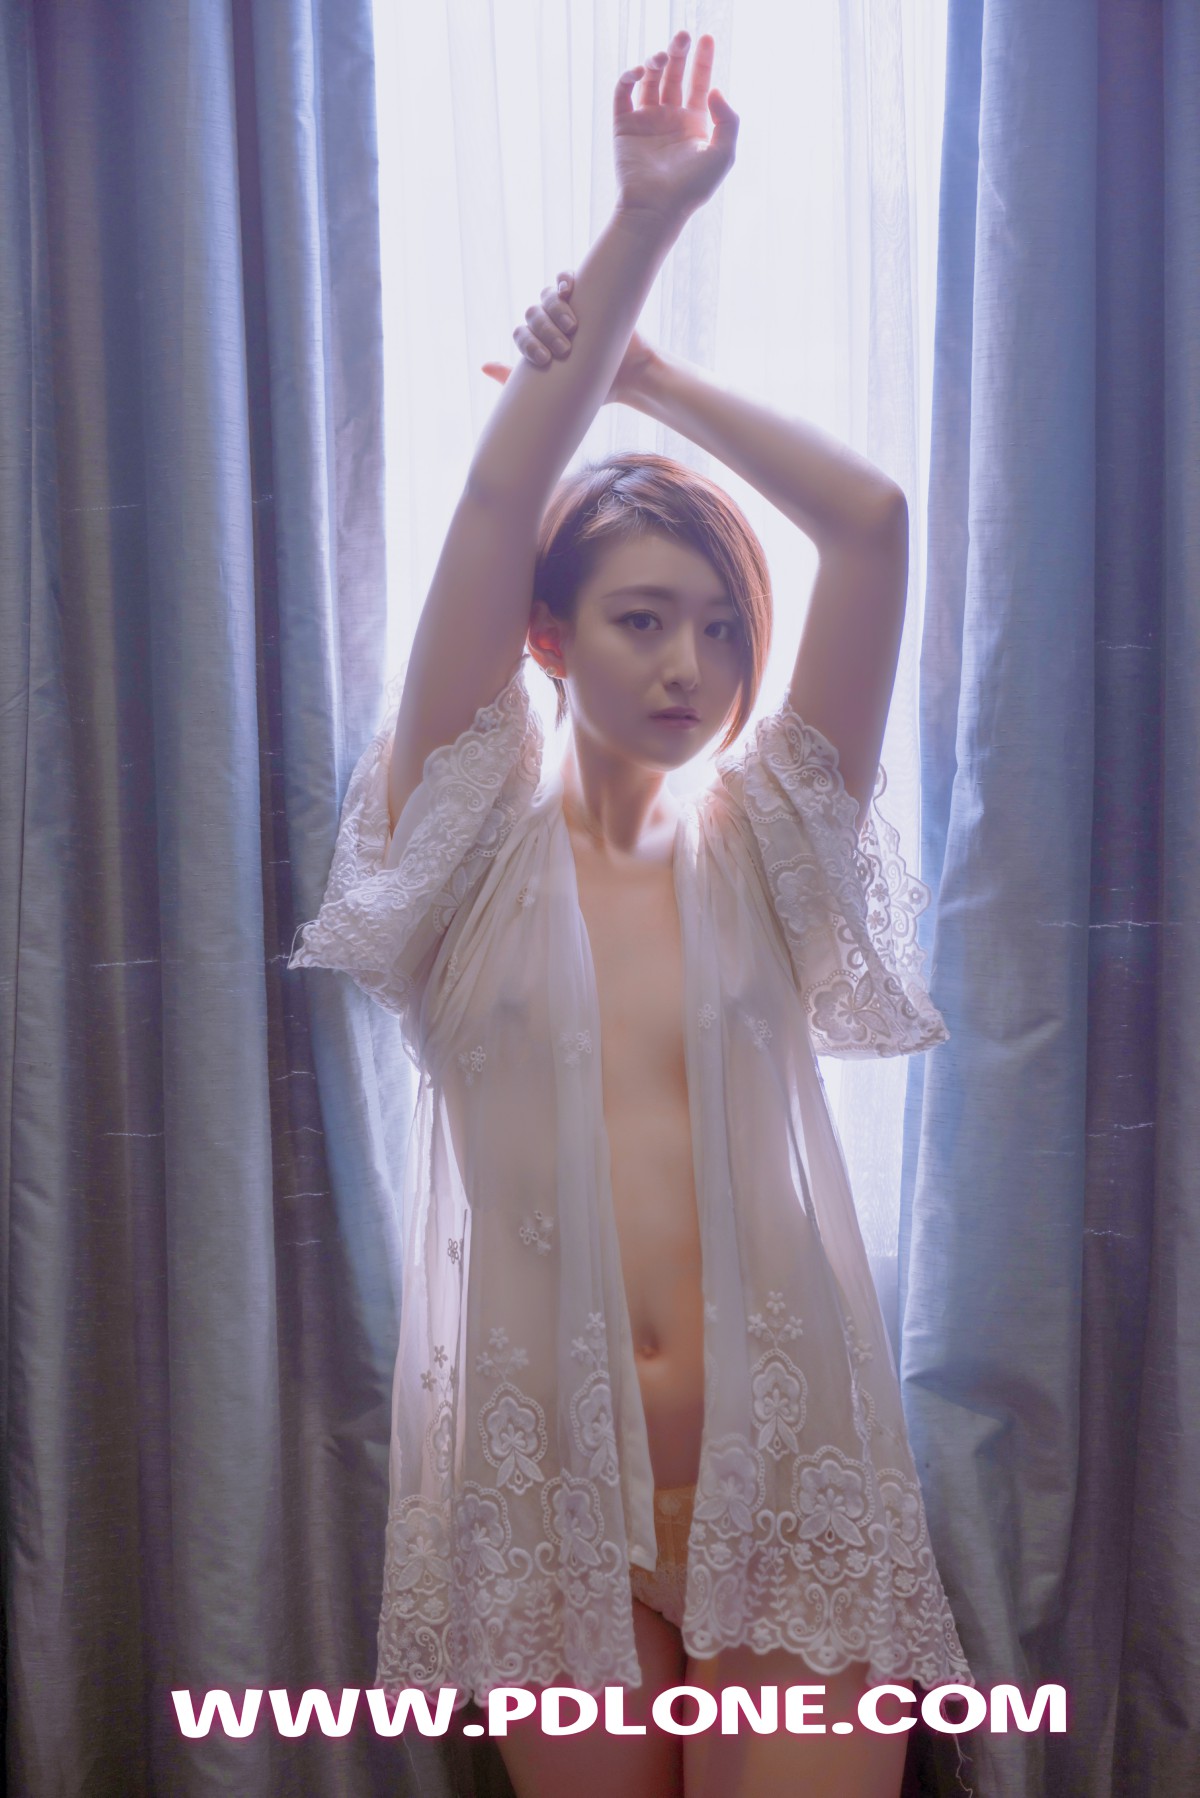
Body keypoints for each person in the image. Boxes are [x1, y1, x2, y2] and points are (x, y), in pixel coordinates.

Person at [288, 30, 972, 1798]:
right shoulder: (457, 852)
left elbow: (875, 524)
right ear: (551, 636)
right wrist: (641, 223)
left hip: (793, 1480)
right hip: (548, 1507)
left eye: (721, 627)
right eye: (644, 619)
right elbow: (497, 499)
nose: (693, 664)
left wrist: (653, 376)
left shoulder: (770, 842)